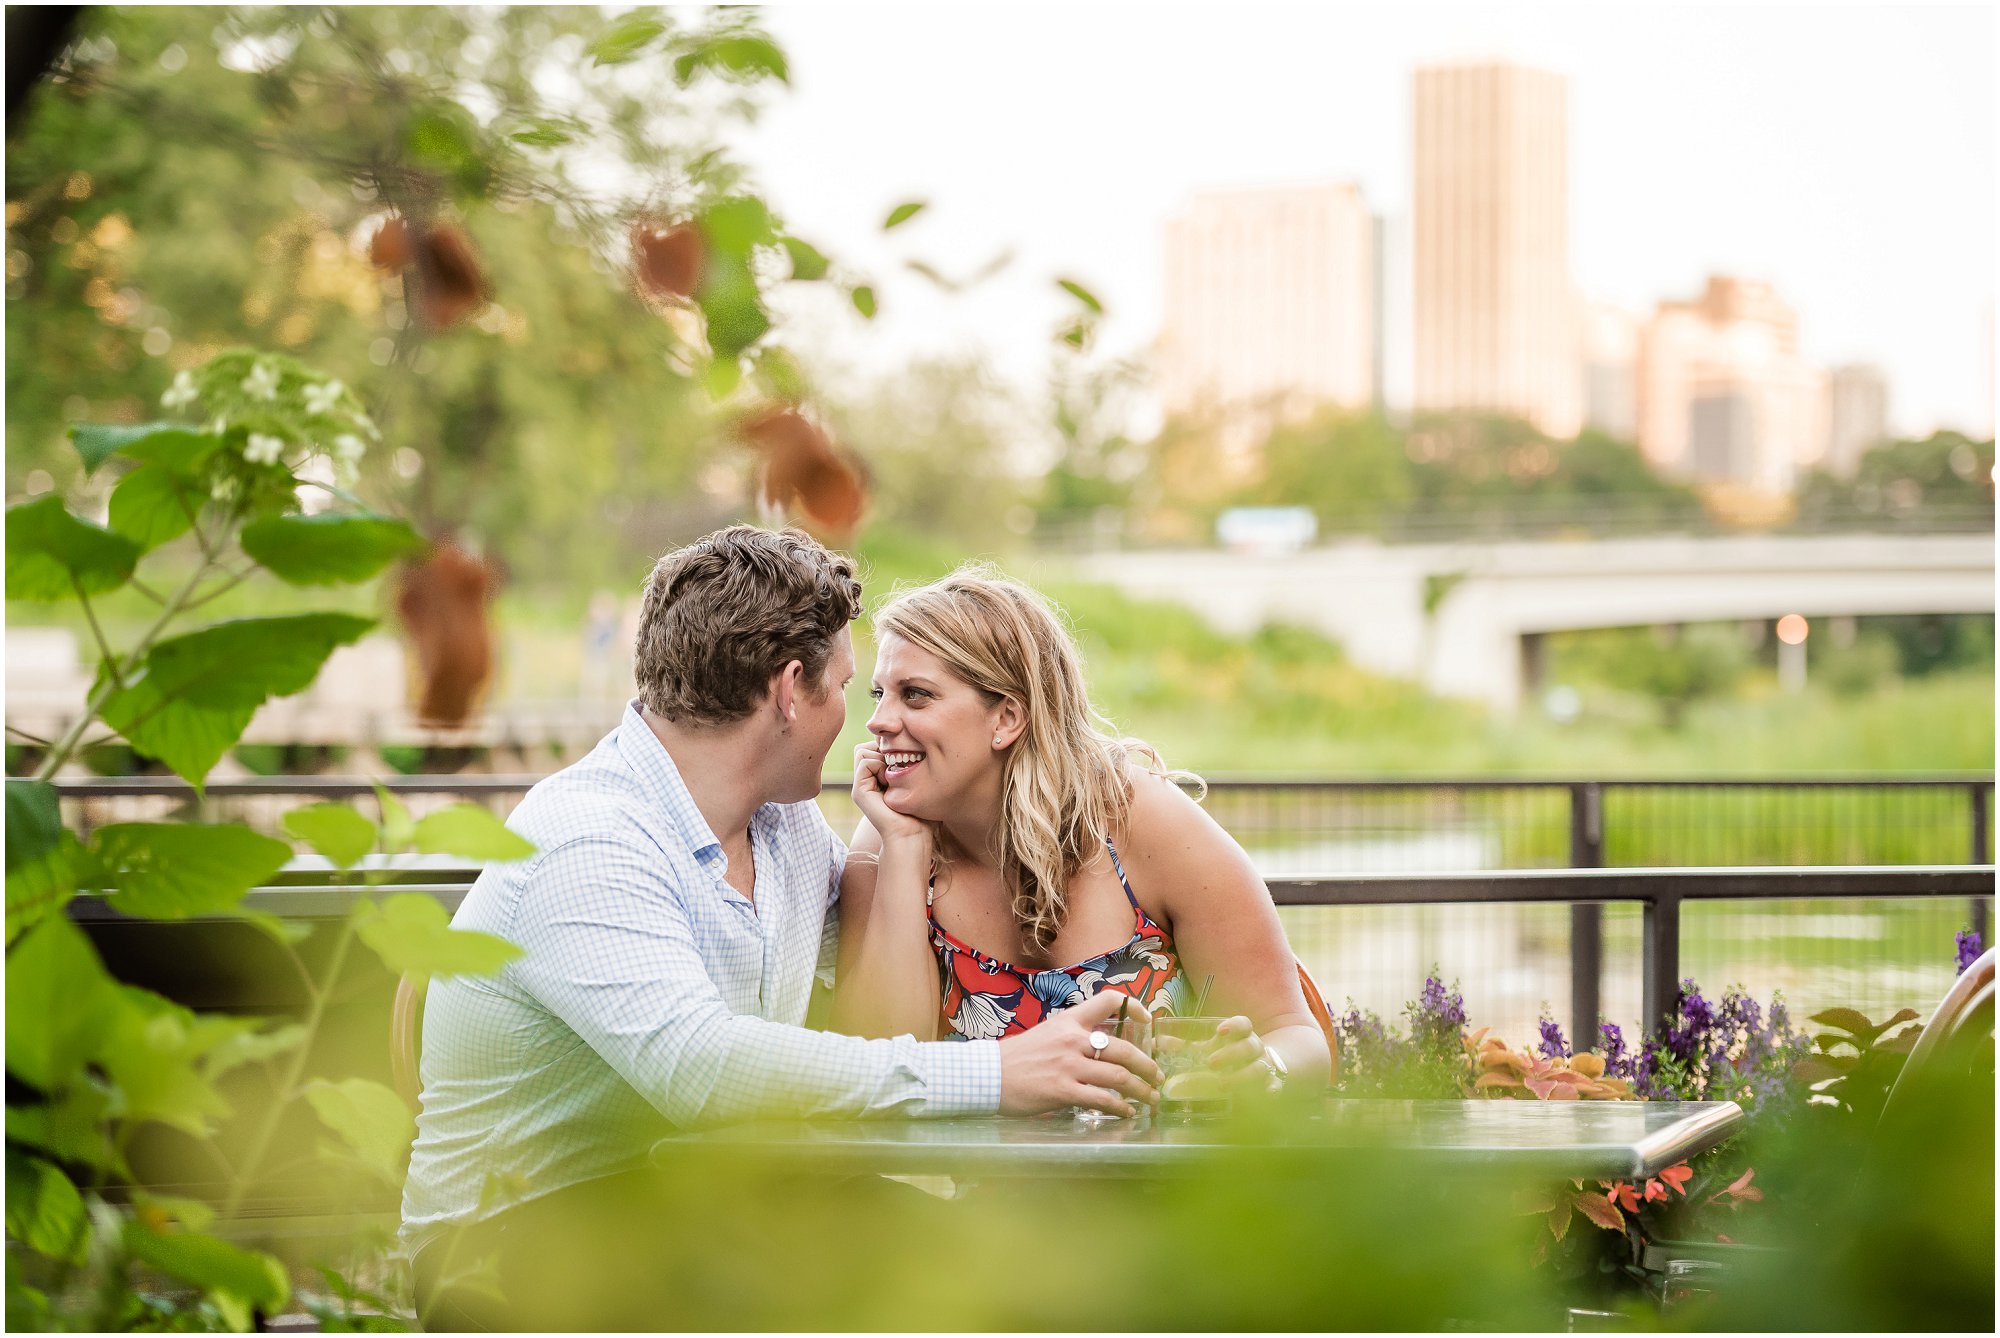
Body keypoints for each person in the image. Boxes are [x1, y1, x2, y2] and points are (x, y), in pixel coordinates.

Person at [401, 528, 1161, 1328]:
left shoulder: (785, 832)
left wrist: (908, 850)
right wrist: (1001, 1074)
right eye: (847, 688)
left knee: (1016, 1283)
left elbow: (890, 992)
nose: (863, 725)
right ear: (790, 689)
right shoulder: (590, 837)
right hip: (519, 1239)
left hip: (709, 1203)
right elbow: (700, 1069)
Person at [836, 566, 1331, 1092]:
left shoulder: (1140, 820)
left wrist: (1266, 1074)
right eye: (877, 694)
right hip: (1004, 1177)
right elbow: (876, 1073)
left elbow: (1294, 1033)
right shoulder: (888, 844)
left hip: (1174, 1171)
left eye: (915, 695)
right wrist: (905, 851)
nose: (879, 721)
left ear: (1006, 718)